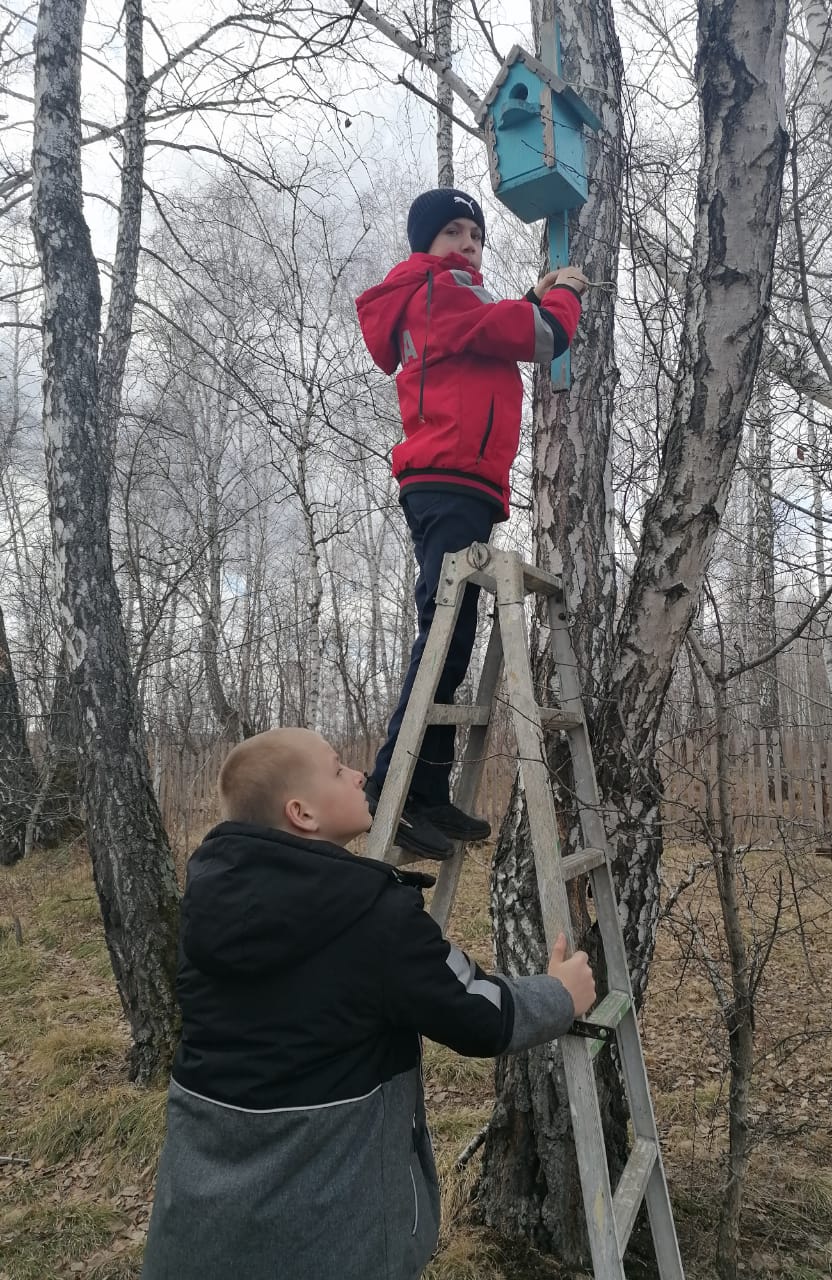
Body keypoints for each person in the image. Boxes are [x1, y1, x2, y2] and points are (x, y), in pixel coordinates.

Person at [140, 727, 595, 1280]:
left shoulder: (208, 903)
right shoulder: (375, 917)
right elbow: (478, 1014)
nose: (359, 774)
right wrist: (561, 994)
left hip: (197, 1235)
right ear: (302, 813)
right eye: (337, 769)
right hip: (329, 1242)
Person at [356, 187, 588, 859]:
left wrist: (533, 298)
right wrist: (563, 292)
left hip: (463, 484)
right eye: (453, 231)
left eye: (476, 234)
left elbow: (503, 322)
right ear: (424, 245)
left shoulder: (454, 300)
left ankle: (424, 793)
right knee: (441, 640)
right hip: (449, 481)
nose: (468, 243)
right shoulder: (439, 293)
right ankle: (391, 794)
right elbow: (543, 335)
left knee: (449, 640)